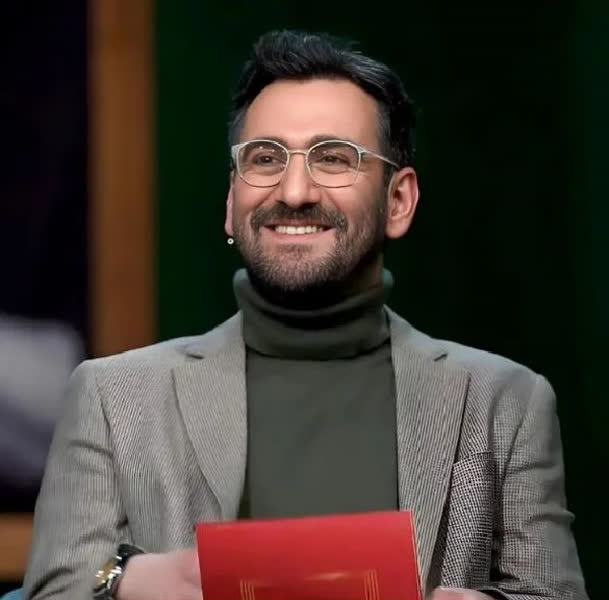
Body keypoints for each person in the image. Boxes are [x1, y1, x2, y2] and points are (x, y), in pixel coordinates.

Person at [23, 30, 587, 600]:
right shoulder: (113, 398)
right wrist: (123, 582)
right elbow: (58, 585)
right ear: (231, 202)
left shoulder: (503, 402)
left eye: (334, 158)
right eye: (266, 158)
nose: (294, 191)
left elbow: (550, 591)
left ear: (398, 201)